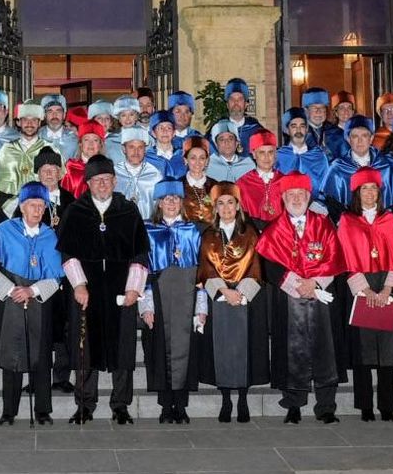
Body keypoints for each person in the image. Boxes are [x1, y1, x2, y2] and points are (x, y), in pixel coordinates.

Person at [56, 155, 149, 425]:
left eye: (107, 180)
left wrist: (134, 289)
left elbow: (141, 253)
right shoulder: (75, 211)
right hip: (87, 291)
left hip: (121, 290)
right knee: (85, 349)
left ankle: (120, 405)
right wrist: (79, 284)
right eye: (97, 181)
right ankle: (84, 404)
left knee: (123, 348)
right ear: (88, 183)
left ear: (115, 181)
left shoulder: (128, 210)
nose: (102, 185)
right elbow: (67, 252)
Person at [256, 173, 344, 424]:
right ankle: (293, 404)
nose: (296, 198)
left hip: (322, 296)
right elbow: (270, 266)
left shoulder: (324, 224)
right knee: (290, 350)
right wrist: (298, 286)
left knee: (325, 350)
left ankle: (326, 406)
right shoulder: (274, 229)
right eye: (291, 195)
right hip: (288, 298)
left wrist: (314, 284)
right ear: (283, 198)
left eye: (300, 195)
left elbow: (334, 258)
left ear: (308, 197)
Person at [0, 182, 63, 426]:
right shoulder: (3, 231)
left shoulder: (51, 236)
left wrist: (33, 289)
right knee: (11, 354)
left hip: (39, 299)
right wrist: (10, 290)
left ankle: (42, 409)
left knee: (40, 355)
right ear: (22, 206)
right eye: (32, 205)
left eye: (41, 206)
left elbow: (58, 275)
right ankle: (9, 410)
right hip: (9, 300)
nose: (37, 211)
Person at [336, 168, 393, 422]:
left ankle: (387, 405)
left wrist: (388, 289)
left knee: (386, 350)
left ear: (380, 192)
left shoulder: (390, 219)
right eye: (364, 189)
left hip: (386, 284)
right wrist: (364, 290)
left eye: (373, 189)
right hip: (360, 286)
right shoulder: (347, 220)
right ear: (357, 193)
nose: (369, 194)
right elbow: (344, 258)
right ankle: (365, 405)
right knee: (363, 351)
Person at [193, 183, 267, 423]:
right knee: (222, 349)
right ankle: (226, 400)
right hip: (220, 298)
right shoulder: (208, 235)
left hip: (246, 298)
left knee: (243, 349)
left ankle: (243, 400)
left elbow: (257, 267)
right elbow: (204, 269)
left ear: (238, 206)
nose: (226, 208)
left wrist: (241, 293)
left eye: (230, 203)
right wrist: (225, 291)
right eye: (221, 203)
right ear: (215, 207)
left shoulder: (251, 233)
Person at [140, 181, 201, 423]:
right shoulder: (147, 230)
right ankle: (166, 405)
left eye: (176, 198)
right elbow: (141, 270)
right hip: (158, 297)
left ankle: (181, 405)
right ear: (158, 203)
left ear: (182, 202)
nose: (172, 203)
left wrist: (201, 308)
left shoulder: (194, 231)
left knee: (185, 351)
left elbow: (201, 275)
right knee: (158, 351)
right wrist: (145, 307)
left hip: (187, 298)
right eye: (166, 199)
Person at [0, 103, 52, 194]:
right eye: (25, 119)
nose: (29, 124)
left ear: (39, 123)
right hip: (12, 205)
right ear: (18, 122)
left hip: (41, 204)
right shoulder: (6, 150)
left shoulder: (50, 149)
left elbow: (56, 183)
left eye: (34, 120)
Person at [235, 129, 287, 228]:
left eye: (271, 152)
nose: (267, 157)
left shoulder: (285, 181)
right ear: (254, 154)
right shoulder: (242, 184)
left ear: (276, 154)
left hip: (280, 233)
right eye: (262, 152)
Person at [114, 126, 165, 218]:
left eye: (140, 147)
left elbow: (161, 206)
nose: (136, 152)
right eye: (131, 147)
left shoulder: (155, 174)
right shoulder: (114, 173)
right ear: (124, 149)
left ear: (145, 150)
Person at [61, 120, 108, 199]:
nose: (91, 144)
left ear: (100, 144)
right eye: (86, 140)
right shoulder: (70, 167)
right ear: (80, 144)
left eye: (95, 140)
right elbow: (64, 197)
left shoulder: (107, 168)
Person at [178, 136, 217, 224]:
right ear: (185, 160)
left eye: (202, 158)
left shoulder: (215, 186)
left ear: (207, 161)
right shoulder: (178, 185)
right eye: (193, 158)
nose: (197, 162)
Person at [222, 78, 263, 149]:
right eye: (232, 99)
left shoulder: (256, 130)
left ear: (246, 104)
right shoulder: (218, 129)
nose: (236, 102)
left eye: (240, 99)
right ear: (227, 105)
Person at [39, 94, 78, 160]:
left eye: (58, 111)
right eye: (50, 111)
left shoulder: (74, 139)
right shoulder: (37, 137)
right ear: (44, 115)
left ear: (64, 115)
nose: (54, 115)